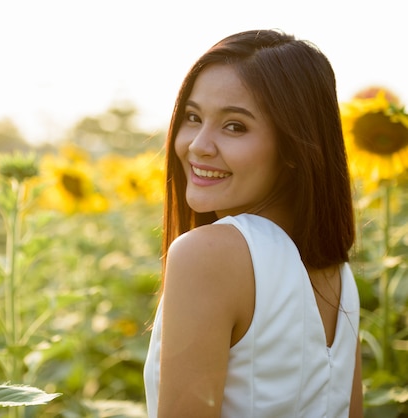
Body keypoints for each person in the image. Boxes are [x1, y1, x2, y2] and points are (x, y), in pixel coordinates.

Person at [143, 29, 363, 417]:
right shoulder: (339, 277)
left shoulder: (208, 254)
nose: (198, 145)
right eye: (193, 117)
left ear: (295, 147)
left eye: (234, 126)